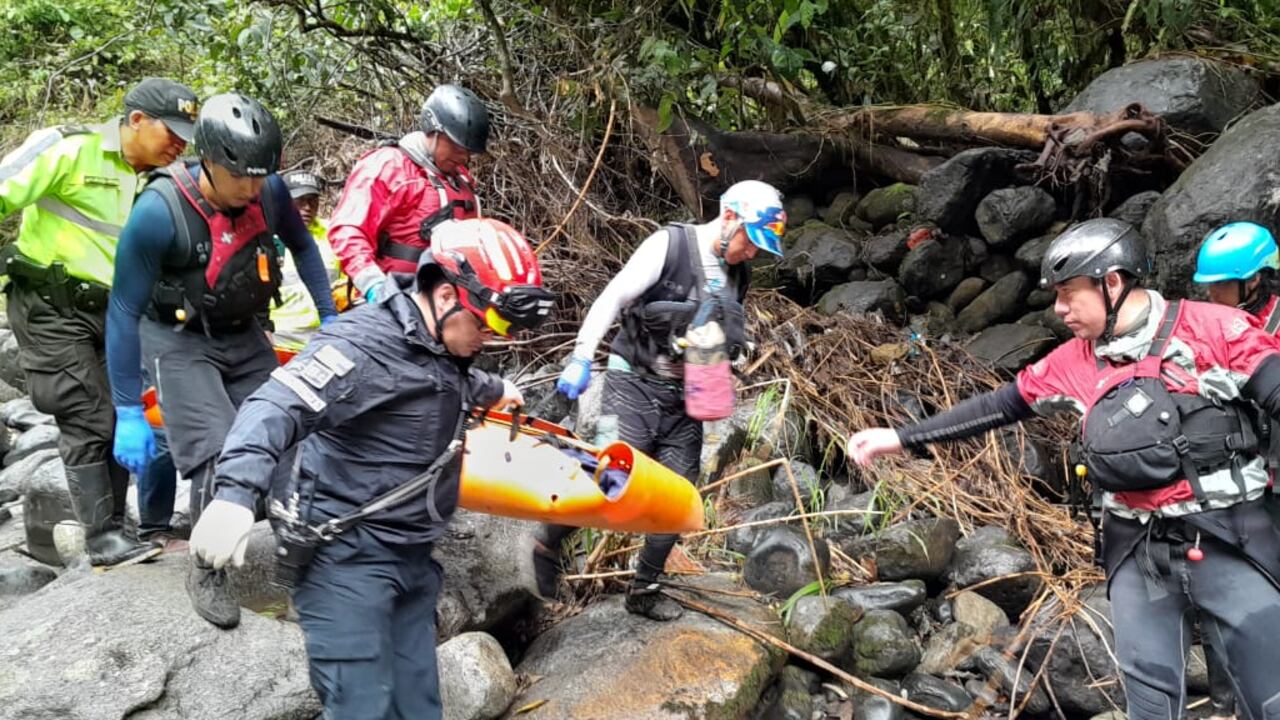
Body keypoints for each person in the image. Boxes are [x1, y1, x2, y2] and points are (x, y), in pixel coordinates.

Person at [846, 218, 1280, 720]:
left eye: (1070, 294)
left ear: (1112, 282)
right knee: (1151, 704)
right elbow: (1001, 405)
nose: (1059, 309)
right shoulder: (1071, 363)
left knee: (1269, 698)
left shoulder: (1215, 330)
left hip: (1231, 538)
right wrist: (901, 437)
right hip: (1138, 552)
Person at [187, 217, 549, 718]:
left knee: (419, 709)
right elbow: (273, 407)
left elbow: (437, 381)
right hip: (344, 561)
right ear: (445, 296)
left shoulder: (442, 345)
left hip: (413, 558)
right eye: (485, 324)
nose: (489, 337)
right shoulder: (361, 346)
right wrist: (233, 495)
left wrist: (491, 389)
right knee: (361, 708)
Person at [106, 93, 338, 628]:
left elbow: (302, 247)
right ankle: (207, 568)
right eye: (241, 177)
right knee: (219, 448)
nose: (253, 189)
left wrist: (331, 320)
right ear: (208, 158)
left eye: (262, 176)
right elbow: (123, 311)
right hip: (176, 339)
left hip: (245, 332)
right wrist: (127, 408)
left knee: (290, 439)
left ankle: (303, 567)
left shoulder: (269, 190)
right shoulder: (158, 214)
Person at [537, 179, 786, 620]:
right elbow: (613, 297)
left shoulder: (737, 275)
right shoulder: (668, 247)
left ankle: (645, 589)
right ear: (729, 218)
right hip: (630, 383)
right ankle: (546, 546)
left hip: (682, 400)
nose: (753, 254)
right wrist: (580, 355)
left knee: (678, 498)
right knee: (610, 482)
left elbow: (713, 339)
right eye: (752, 242)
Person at [0, 77, 197, 566]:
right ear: (134, 121)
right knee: (87, 414)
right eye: (169, 131)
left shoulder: (161, 180)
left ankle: (113, 528)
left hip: (115, 313)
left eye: (185, 136)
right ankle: (102, 537)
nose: (178, 143)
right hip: (50, 305)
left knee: (122, 410)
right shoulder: (68, 148)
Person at [1191, 220, 1280, 720]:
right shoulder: (1210, 327)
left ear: (1257, 281)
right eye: (1211, 286)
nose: (1214, 295)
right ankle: (1228, 705)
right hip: (1235, 477)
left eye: (1222, 285)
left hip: (1273, 473)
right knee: (1228, 595)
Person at [328, 84, 487, 303]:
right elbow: (348, 231)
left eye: (468, 152)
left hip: (446, 306)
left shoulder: (460, 179)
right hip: (391, 301)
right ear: (433, 131)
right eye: (456, 147)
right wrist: (375, 287)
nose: (463, 157)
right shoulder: (388, 166)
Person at [271, 170, 345, 353]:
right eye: (299, 199)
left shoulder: (333, 235)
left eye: (313, 200)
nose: (307, 207)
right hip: (279, 343)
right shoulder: (266, 237)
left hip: (324, 341)